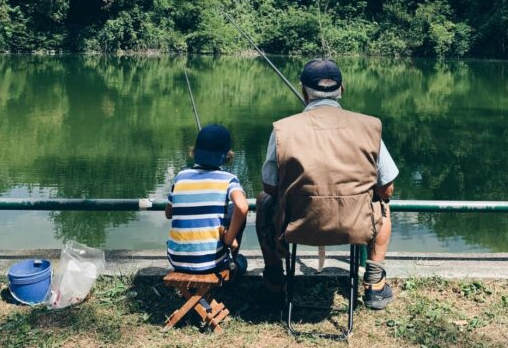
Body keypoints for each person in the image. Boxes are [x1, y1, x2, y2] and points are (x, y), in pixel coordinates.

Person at [256, 59, 399, 310]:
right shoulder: (369, 126)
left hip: (296, 225)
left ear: (303, 91)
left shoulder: (282, 130)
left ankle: (274, 279)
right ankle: (375, 284)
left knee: (263, 201)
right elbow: (386, 188)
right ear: (342, 89)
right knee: (383, 206)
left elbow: (270, 188)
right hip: (356, 226)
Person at [165, 124, 249, 274]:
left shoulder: (180, 177)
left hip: (176, 261)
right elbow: (242, 207)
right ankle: (232, 262)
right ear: (227, 155)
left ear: (195, 151)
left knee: (228, 210)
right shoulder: (229, 179)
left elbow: (168, 214)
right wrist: (229, 239)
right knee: (242, 262)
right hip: (211, 264)